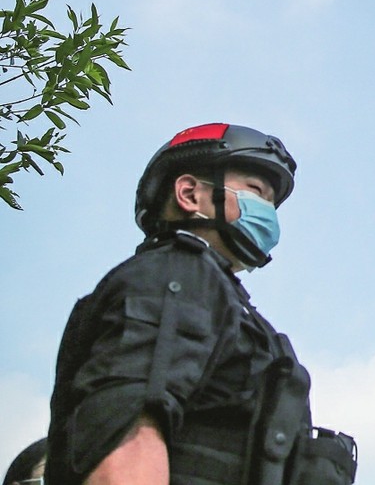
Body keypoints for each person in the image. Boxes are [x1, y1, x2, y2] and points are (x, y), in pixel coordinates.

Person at [46, 123, 356, 485]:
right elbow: (127, 438)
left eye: (272, 203)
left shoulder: (226, 300)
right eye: (257, 192)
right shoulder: (176, 273)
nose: (268, 211)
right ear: (189, 194)